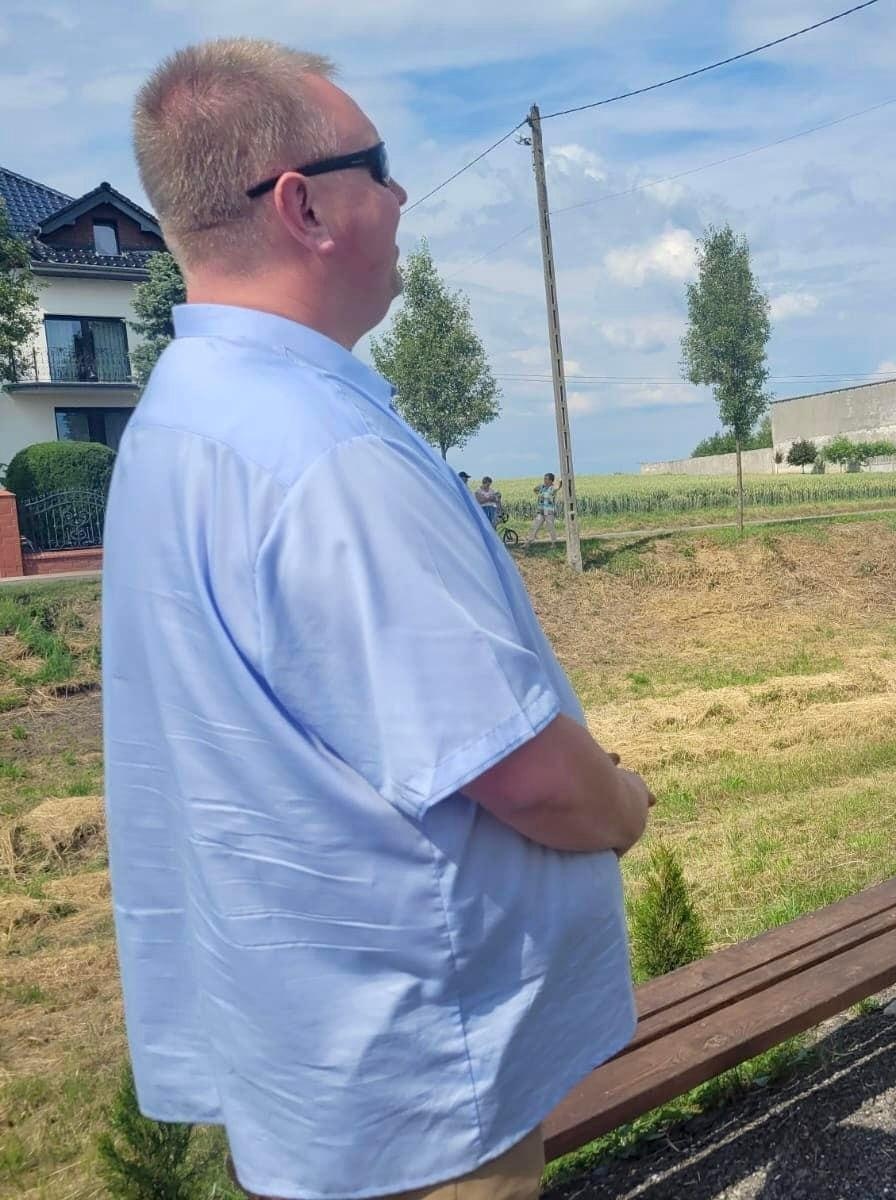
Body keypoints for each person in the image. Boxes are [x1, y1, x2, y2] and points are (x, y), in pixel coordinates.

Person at [106, 39, 650, 1200]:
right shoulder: (327, 453)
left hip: (316, 1052)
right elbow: (523, 775)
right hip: (424, 1082)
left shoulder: (178, 418)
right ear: (302, 205)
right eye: (382, 165)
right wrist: (623, 806)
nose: (403, 197)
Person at [532, 471, 562, 542]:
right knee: (535, 526)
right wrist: (539, 493)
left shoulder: (552, 488)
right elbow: (534, 489)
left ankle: (553, 543)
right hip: (541, 511)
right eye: (544, 479)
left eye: (546, 479)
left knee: (551, 527)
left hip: (549, 512)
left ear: (551, 481)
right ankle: (530, 540)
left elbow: (558, 487)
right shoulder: (542, 487)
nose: (544, 480)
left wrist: (561, 481)